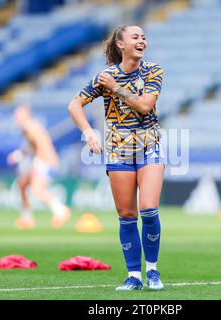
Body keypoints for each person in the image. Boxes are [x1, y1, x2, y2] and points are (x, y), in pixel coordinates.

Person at [68, 25, 165, 291]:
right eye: (135, 37)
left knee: (148, 208)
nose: (142, 40)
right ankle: (134, 276)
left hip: (149, 147)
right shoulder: (105, 76)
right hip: (118, 151)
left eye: (144, 37)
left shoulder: (154, 71)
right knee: (126, 215)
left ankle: (153, 272)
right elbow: (74, 104)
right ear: (121, 44)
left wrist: (117, 88)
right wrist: (88, 132)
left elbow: (145, 105)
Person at [8, 106, 71, 229]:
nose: (16, 118)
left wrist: (34, 162)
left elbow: (41, 144)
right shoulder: (30, 126)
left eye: (18, 115)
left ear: (26, 115)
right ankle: (27, 218)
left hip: (44, 161)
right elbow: (33, 145)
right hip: (42, 160)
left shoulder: (29, 126)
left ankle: (61, 210)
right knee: (22, 184)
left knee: (37, 190)